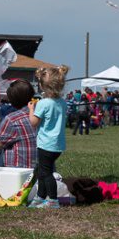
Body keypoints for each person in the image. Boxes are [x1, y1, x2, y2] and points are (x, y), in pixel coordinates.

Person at [28, 65, 69, 209]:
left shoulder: (43, 104)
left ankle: (53, 200)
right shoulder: (62, 103)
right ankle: (40, 197)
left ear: (42, 86)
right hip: (57, 145)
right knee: (42, 171)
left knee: (46, 173)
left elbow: (34, 122)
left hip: (46, 144)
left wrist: (31, 109)